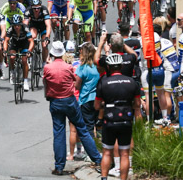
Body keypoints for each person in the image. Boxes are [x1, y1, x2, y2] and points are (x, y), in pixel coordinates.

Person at [43, 40, 102, 176]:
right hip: (69, 100)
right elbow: (74, 81)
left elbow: (46, 84)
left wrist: (48, 95)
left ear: (52, 53)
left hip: (55, 101)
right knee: (82, 129)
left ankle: (59, 166)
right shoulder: (68, 67)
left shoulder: (48, 68)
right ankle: (97, 159)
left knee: (58, 132)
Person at [95, 53, 142, 180]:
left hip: (109, 120)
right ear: (121, 66)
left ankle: (104, 178)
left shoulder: (103, 82)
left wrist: (106, 105)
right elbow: (137, 104)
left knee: (107, 151)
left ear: (109, 67)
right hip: (126, 120)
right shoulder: (132, 82)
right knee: (125, 153)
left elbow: (96, 105)